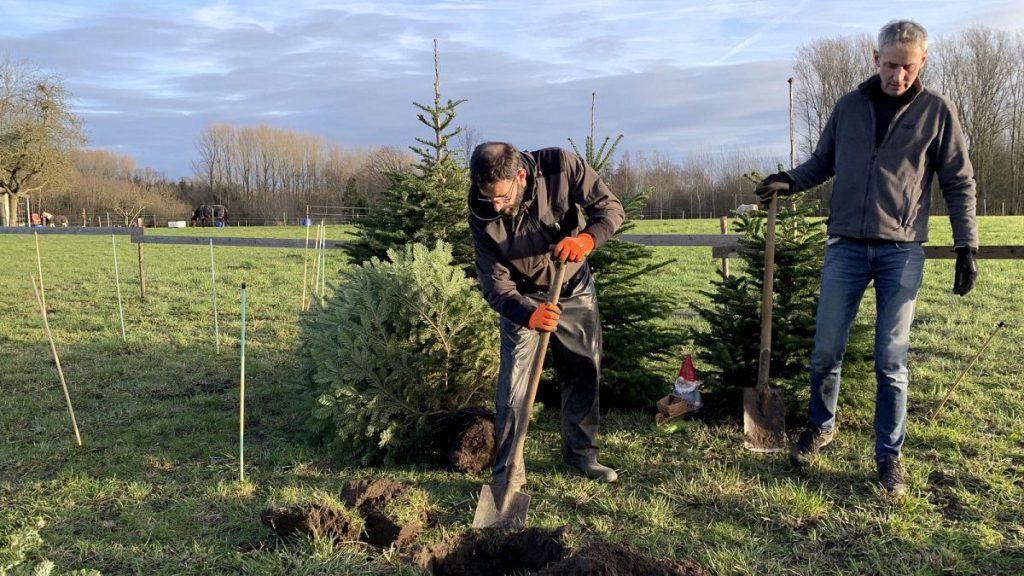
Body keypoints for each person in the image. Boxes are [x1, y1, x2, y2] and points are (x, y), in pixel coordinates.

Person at [756, 19, 978, 495]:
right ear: (875, 58)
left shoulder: (938, 112)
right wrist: (789, 180)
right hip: (846, 249)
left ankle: (888, 457)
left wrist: (967, 245)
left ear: (921, 64)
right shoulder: (849, 107)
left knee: (891, 360)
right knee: (825, 350)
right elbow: (823, 162)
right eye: (890, 64)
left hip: (901, 252)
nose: (897, 75)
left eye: (907, 66)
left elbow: (959, 182)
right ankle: (821, 425)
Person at [468, 142, 625, 491]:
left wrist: (586, 240)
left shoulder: (560, 165)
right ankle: (508, 473)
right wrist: (528, 314)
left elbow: (610, 209)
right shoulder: (482, 212)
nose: (496, 205)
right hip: (523, 297)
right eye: (488, 196)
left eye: (502, 197)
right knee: (513, 388)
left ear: (520, 176)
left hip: (572, 284)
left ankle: (581, 454)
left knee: (583, 368)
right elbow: (495, 284)